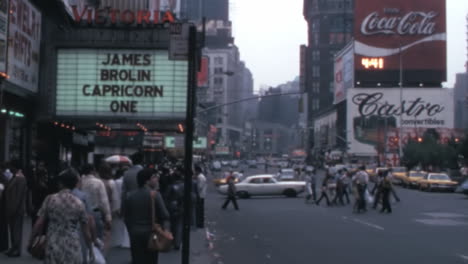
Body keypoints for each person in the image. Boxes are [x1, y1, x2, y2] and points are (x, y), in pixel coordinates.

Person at [29, 168, 94, 264]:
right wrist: (91, 249)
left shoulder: (50, 199)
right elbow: (86, 231)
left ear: (61, 183)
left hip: (53, 244)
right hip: (72, 246)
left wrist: (30, 241)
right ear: (75, 184)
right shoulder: (79, 203)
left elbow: (38, 223)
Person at [124, 168, 170, 264]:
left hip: (135, 233)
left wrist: (131, 230)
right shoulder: (155, 195)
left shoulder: (130, 196)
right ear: (147, 181)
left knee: (137, 259)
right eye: (153, 177)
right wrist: (165, 230)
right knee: (151, 260)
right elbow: (165, 215)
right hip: (151, 233)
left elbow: (126, 217)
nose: (156, 179)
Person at [80, 164, 112, 243]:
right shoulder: (98, 182)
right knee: (97, 239)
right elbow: (104, 201)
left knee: (83, 238)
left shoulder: (80, 182)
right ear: (92, 171)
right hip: (95, 213)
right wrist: (108, 217)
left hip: (81, 213)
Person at [3, 163, 28, 257]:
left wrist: (13, 208)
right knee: (13, 229)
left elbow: (18, 196)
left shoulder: (20, 179)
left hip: (17, 209)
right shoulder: (14, 178)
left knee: (16, 230)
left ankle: (17, 249)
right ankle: (14, 247)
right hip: (12, 208)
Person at [166, 170, 184, 250]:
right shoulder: (184, 186)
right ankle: (177, 243)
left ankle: (171, 241)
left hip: (171, 208)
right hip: (180, 207)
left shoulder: (170, 186)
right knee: (179, 225)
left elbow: (167, 197)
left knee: (172, 225)